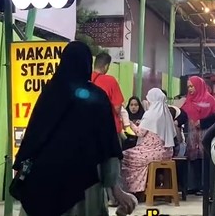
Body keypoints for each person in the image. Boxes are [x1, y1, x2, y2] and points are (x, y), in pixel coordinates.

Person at [13, 41, 136, 216]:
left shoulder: (49, 93)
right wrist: (115, 188)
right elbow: (108, 145)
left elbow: (33, 137)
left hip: (43, 181)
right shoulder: (97, 97)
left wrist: (21, 169)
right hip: (84, 183)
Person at [121, 88, 177, 196]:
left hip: (151, 152)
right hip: (167, 152)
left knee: (124, 155)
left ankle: (132, 189)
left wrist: (130, 123)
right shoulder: (166, 113)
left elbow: (140, 133)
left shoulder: (150, 114)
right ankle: (142, 187)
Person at [181, 76, 215, 194]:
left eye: (192, 86)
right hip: (193, 135)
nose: (190, 89)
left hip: (205, 133)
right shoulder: (188, 100)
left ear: (199, 86)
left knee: (205, 160)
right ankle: (194, 185)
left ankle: (206, 187)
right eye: (188, 87)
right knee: (194, 159)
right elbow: (183, 114)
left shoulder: (209, 99)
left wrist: (202, 122)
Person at [91, 52, 125, 136]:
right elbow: (117, 108)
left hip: (89, 128)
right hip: (108, 128)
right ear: (106, 66)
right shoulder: (110, 81)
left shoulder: (86, 77)